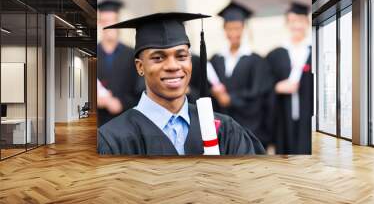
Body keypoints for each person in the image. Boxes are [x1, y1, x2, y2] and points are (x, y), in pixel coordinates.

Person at [97, 12, 265, 155]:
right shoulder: (111, 139)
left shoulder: (224, 130)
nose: (173, 66)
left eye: (181, 56)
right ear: (140, 67)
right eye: (158, 57)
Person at [261, 2, 313, 154]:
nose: (296, 25)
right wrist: (276, 87)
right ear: (286, 24)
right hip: (283, 119)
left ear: (307, 22)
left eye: (300, 20)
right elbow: (263, 86)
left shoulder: (315, 50)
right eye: (292, 21)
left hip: (308, 119)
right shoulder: (276, 54)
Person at [209, 1, 263, 140]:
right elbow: (207, 88)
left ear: (243, 28)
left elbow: (256, 92)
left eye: (237, 28)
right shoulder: (216, 59)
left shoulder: (255, 59)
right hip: (221, 124)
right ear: (224, 29)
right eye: (229, 28)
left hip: (248, 125)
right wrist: (214, 92)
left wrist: (231, 99)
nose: (233, 33)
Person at [97, 0, 144, 127]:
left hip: (126, 122)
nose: (110, 26)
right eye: (105, 21)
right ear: (99, 23)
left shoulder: (133, 55)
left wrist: (121, 103)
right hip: (98, 124)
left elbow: (141, 92)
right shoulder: (91, 55)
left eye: (114, 20)